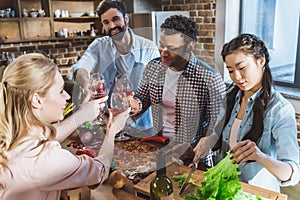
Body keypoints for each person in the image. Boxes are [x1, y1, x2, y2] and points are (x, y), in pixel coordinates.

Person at [0, 53, 130, 200]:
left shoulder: (11, 133)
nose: (67, 96)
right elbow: (99, 171)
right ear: (37, 100)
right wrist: (111, 131)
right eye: (60, 91)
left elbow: (48, 134)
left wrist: (81, 114)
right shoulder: (44, 159)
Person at [130, 15, 226, 166]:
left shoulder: (210, 78)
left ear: (190, 46)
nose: (163, 52)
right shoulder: (153, 67)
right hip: (160, 149)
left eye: (172, 48)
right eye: (161, 45)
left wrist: (195, 146)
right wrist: (133, 104)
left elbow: (217, 125)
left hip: (193, 158)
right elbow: (142, 99)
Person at [209, 33, 300, 192]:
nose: (236, 77)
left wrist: (260, 156)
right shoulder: (229, 98)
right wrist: (207, 141)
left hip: (256, 192)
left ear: (260, 61)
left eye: (242, 68)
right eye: (230, 70)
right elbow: (220, 141)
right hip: (223, 188)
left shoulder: (280, 110)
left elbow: (291, 172)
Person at [72, 0, 160, 130]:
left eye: (115, 19)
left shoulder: (148, 48)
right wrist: (86, 84)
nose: (112, 26)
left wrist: (139, 103)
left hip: (141, 123)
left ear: (126, 18)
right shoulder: (99, 46)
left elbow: (159, 87)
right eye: (106, 22)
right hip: (109, 121)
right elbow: (82, 67)